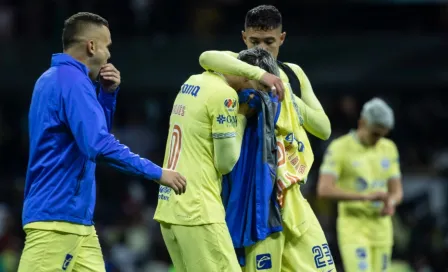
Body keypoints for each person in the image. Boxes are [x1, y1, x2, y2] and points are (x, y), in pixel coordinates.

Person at [18, 12, 186, 272]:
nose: (109, 54)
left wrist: (107, 97)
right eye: (107, 46)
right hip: (57, 222)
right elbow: (98, 145)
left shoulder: (53, 78)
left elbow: (92, 137)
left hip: (77, 222)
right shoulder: (73, 82)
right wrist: (157, 172)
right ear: (92, 46)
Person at [198, 5, 335, 272]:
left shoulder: (293, 73)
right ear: (243, 38)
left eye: (269, 41)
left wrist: (288, 96)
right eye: (254, 41)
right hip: (258, 198)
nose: (261, 48)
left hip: (294, 197)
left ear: (282, 38)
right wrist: (259, 76)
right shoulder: (236, 69)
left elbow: (324, 128)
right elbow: (206, 57)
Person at [153, 47, 281, 272]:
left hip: (169, 209)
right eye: (259, 88)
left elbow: (208, 57)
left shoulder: (193, 81)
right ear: (247, 74)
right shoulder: (225, 96)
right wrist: (240, 118)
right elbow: (226, 162)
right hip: (198, 212)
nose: (258, 94)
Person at [317, 98, 403, 272]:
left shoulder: (389, 148)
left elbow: (397, 190)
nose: (378, 140)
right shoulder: (340, 147)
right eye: (375, 134)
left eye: (382, 135)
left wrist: (391, 203)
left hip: (382, 230)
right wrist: (365, 196)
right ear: (362, 123)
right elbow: (323, 189)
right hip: (353, 229)